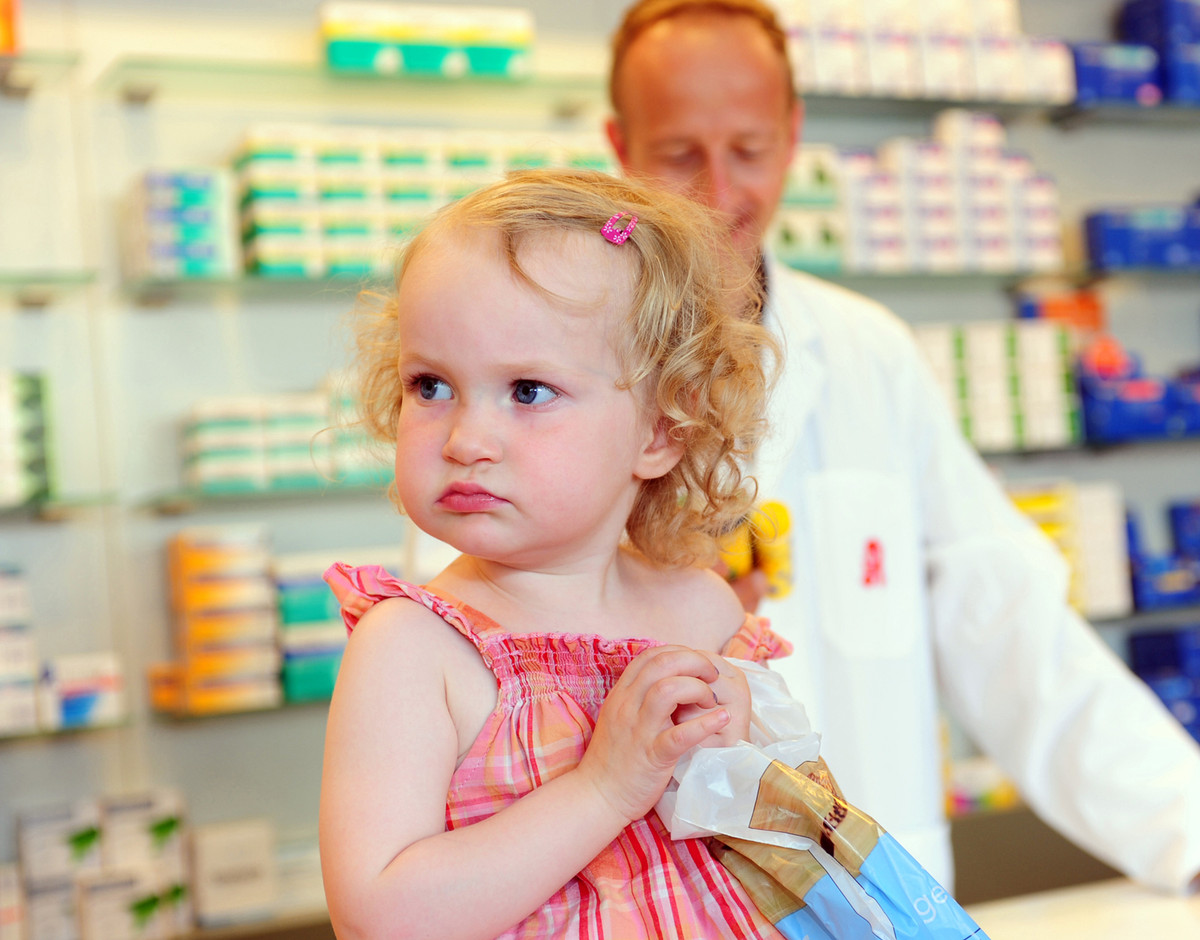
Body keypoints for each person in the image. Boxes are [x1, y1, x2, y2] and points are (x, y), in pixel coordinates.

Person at [604, 0, 1200, 895]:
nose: (719, 191)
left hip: (881, 883)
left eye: (752, 149)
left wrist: (1181, 828)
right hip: (661, 887)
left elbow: (1011, 626)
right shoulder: (562, 365)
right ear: (620, 145)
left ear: (794, 133)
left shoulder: (868, 351)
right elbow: (476, 655)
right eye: (680, 153)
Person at [319, 167, 798, 939]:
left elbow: (782, 847)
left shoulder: (703, 608)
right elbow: (379, 919)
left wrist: (745, 751)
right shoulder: (414, 650)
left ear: (660, 431)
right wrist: (606, 787)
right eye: (431, 385)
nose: (467, 440)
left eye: (528, 391)